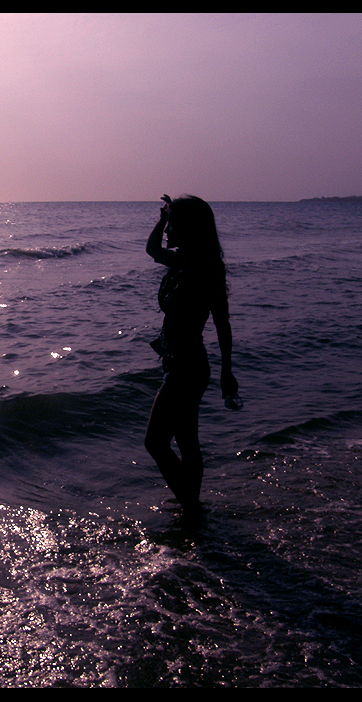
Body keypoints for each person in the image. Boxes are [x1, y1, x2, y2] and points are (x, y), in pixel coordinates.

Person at [144, 194, 238, 510]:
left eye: (172, 224)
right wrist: (160, 217)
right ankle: (192, 507)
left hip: (188, 367)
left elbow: (222, 322)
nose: (168, 231)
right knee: (187, 443)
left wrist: (228, 371)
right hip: (177, 363)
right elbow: (153, 250)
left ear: (188, 227)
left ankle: (190, 506)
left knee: (155, 442)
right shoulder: (184, 260)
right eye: (168, 224)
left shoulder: (205, 268)